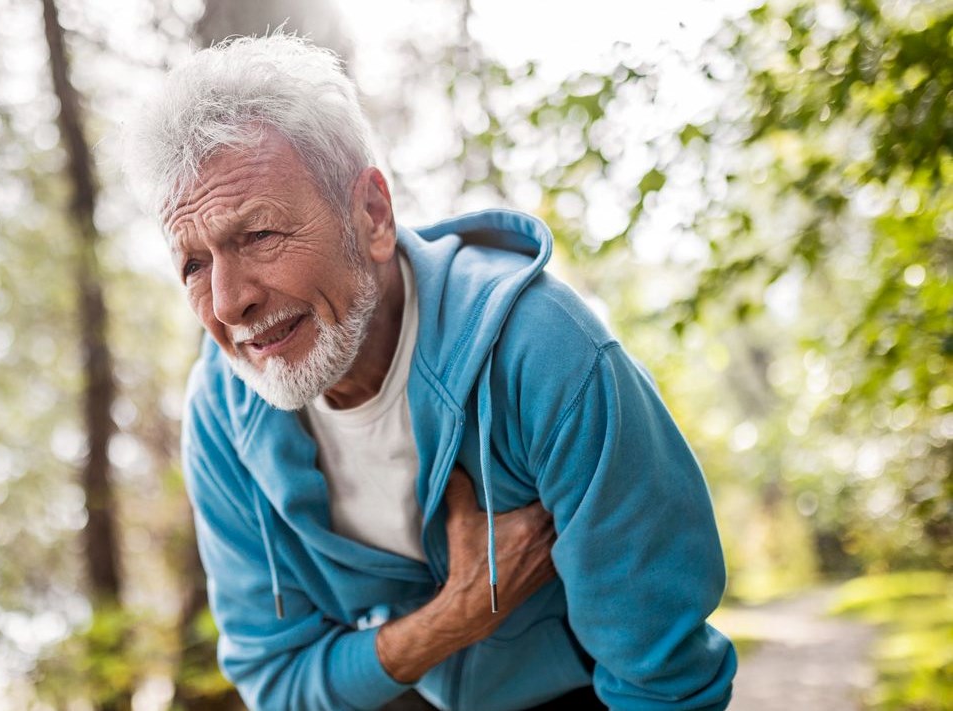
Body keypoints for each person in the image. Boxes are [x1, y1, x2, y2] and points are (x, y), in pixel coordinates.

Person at [123, 33, 736, 711]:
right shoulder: (220, 407)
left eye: (259, 235)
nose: (227, 300)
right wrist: (459, 612)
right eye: (193, 263)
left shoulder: (542, 349)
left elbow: (662, 678)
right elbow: (277, 681)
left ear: (373, 215)